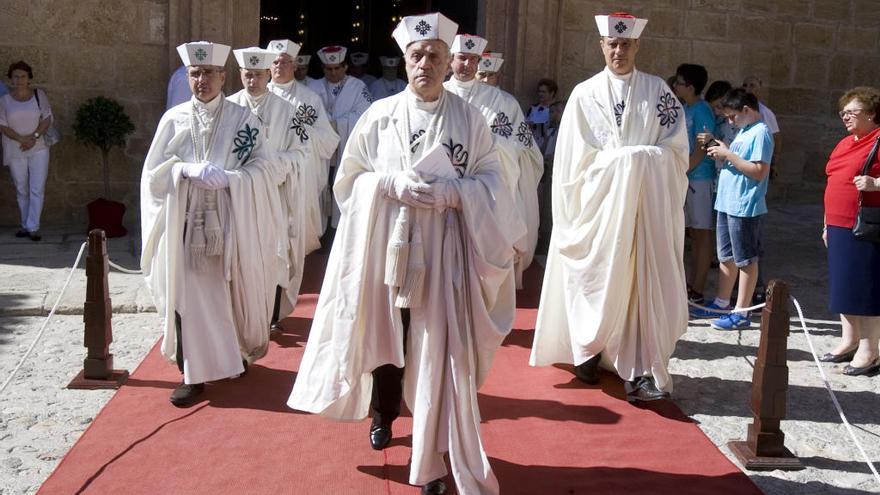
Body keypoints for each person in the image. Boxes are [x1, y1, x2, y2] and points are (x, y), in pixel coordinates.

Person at [288, 12, 524, 495]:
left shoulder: (470, 119)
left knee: (436, 346)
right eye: (417, 56)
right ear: (405, 59)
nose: (425, 63)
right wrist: (389, 182)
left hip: (445, 253)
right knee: (389, 336)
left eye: (434, 56)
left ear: (447, 61)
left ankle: (432, 454)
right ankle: (383, 412)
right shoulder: (380, 115)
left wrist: (456, 194)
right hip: (387, 250)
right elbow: (348, 181)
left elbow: (494, 180)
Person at [529, 13, 689, 402]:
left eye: (626, 44)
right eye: (612, 44)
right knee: (596, 279)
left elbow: (677, 150)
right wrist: (623, 164)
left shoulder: (658, 93)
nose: (619, 50)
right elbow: (571, 161)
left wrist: (638, 161)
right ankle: (588, 348)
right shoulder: (584, 95)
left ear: (637, 46)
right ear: (602, 45)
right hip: (598, 212)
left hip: (642, 215)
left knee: (637, 287)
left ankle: (639, 368)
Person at [140, 42, 286, 407]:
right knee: (187, 298)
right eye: (194, 73)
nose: (201, 80)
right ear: (187, 76)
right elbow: (151, 176)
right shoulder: (172, 119)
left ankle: (233, 355)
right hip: (185, 226)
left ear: (223, 77)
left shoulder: (243, 120)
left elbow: (265, 168)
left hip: (230, 222)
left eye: (208, 73)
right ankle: (192, 374)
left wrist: (233, 180)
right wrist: (181, 170)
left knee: (230, 291)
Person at [444, 34, 543, 288]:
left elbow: (525, 151)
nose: (466, 65)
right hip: (446, 191)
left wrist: (487, 145)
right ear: (450, 60)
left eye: (472, 59)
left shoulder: (504, 102)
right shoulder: (437, 95)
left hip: (490, 192)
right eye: (461, 58)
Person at [227, 47, 308, 334]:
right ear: (240, 75)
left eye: (258, 75)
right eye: (247, 75)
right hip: (241, 196)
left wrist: (275, 165)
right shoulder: (229, 107)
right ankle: (239, 313)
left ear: (267, 75)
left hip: (276, 193)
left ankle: (271, 315)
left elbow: (301, 153)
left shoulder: (288, 111)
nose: (253, 81)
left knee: (275, 253)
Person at [698, 88, 774, 330]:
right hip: (728, 201)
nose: (729, 121)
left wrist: (727, 153)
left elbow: (759, 171)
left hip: (744, 205)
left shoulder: (761, 132)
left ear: (746, 110)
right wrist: (720, 149)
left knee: (746, 259)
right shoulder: (744, 131)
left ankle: (742, 312)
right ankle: (722, 302)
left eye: (732, 116)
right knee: (727, 256)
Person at [820, 86, 880, 375]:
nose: (845, 116)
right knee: (844, 286)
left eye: (851, 112)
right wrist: (826, 223)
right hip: (838, 223)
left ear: (870, 113)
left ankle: (870, 352)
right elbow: (833, 181)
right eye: (843, 112)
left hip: (866, 225)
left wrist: (876, 185)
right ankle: (849, 340)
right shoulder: (845, 143)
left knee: (865, 289)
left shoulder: (878, 141)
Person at [266, 39, 340, 253]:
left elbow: (328, 140)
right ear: (269, 66)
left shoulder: (310, 99)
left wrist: (303, 132)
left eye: (285, 62)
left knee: (293, 239)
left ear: (295, 65)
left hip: (300, 175)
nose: (279, 66)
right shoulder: (259, 97)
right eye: (275, 62)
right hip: (269, 172)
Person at [311, 45, 373, 229]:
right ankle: (320, 230)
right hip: (321, 148)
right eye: (328, 69)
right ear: (323, 69)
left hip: (346, 146)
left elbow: (366, 115)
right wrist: (325, 126)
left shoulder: (357, 86)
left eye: (337, 68)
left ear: (345, 67)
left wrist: (338, 124)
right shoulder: (313, 87)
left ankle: (340, 229)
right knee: (321, 186)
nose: (333, 72)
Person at [673, 64, 716, 307]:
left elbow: (703, 145)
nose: (676, 86)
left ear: (690, 86)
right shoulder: (685, 108)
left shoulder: (702, 110)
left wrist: (685, 168)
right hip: (688, 176)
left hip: (699, 177)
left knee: (701, 233)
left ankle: (698, 287)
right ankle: (689, 283)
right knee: (690, 233)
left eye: (679, 82)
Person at [0, 61, 53, 242]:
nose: (19, 79)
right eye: (16, 76)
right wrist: (21, 139)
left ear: (29, 78)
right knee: (21, 188)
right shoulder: (4, 100)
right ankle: (24, 224)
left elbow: (46, 118)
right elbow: (2, 125)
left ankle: (33, 226)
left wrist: (33, 137)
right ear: (11, 78)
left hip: (38, 148)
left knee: (36, 188)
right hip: (15, 149)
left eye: (23, 76)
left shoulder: (39, 95)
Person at [525, 78, 557, 149]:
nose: (540, 94)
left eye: (543, 92)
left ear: (551, 93)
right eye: (539, 91)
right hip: (532, 144)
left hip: (548, 145)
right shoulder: (532, 108)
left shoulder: (556, 110)